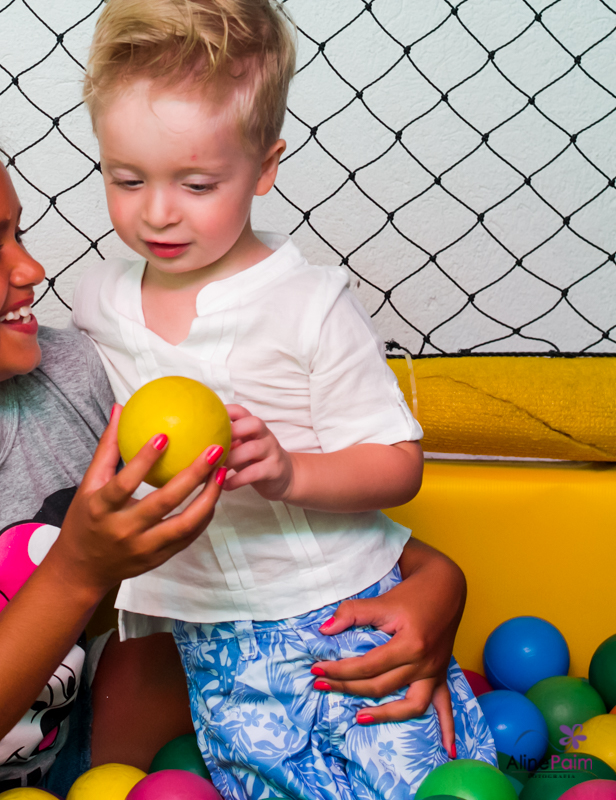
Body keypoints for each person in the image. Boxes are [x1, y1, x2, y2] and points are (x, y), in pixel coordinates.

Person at [0, 90, 477, 799]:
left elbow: (243, 503)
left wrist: (430, 577)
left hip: (73, 759)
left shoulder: (71, 376)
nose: (32, 269)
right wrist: (79, 568)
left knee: (239, 650)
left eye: (19, 233)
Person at [71, 2, 495, 798]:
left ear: (265, 169)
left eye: (197, 184)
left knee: (403, 776)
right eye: (126, 179)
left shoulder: (307, 305)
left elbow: (398, 463)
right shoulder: (100, 299)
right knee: (259, 780)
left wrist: (290, 470)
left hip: (334, 610)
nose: (157, 211)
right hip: (207, 631)